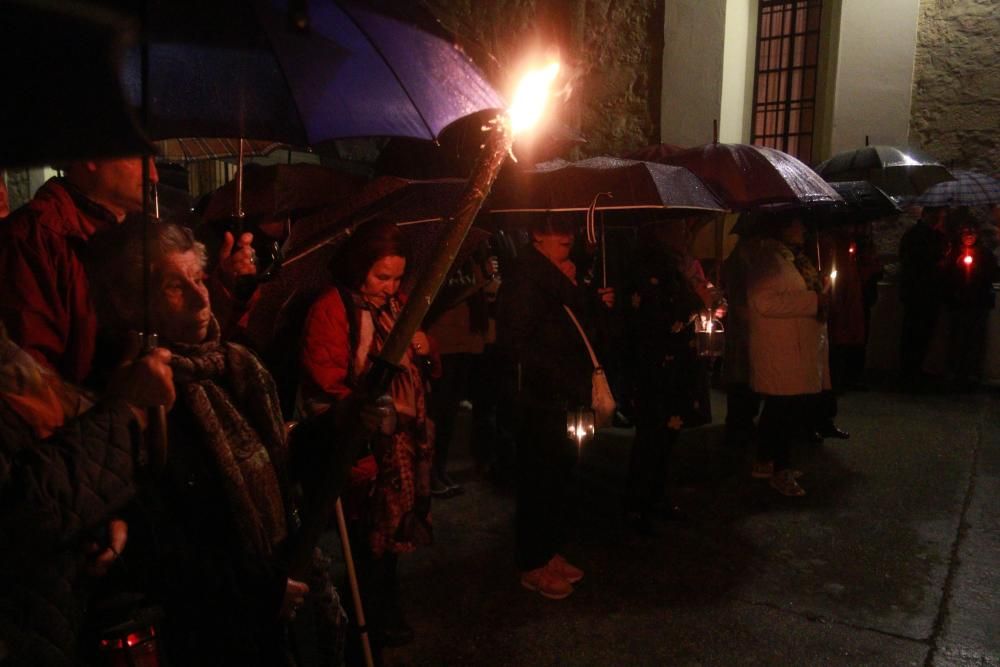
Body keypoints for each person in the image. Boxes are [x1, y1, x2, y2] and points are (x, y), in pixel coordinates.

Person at [85, 221, 347, 666]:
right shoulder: (133, 394)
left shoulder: (234, 365)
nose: (199, 296)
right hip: (212, 631)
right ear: (132, 304)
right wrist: (256, 590)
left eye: (199, 279)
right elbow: (159, 543)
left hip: (274, 597)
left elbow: (277, 467)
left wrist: (347, 420)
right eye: (173, 285)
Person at [0, 324, 175, 666]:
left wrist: (95, 513)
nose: (200, 297)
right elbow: (16, 508)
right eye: (175, 285)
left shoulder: (11, 363)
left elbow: (38, 454)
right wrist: (126, 411)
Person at [300, 220, 435, 649]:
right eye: (382, 277)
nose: (391, 287)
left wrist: (425, 348)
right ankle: (367, 619)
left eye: (398, 277)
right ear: (360, 268)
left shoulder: (394, 307)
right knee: (367, 535)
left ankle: (384, 606)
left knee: (392, 532)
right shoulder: (332, 307)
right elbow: (324, 380)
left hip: (400, 442)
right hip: (360, 441)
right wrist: (373, 410)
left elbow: (418, 374)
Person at [0, 157, 254, 385]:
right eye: (138, 158)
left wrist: (225, 285)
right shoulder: (31, 241)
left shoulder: (145, 232)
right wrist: (118, 408)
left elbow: (186, 332)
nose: (153, 175)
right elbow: (32, 383)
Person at [496, 215, 614, 600]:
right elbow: (519, 343)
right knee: (539, 481)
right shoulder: (527, 276)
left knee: (560, 476)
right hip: (541, 399)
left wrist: (590, 297)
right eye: (554, 227)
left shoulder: (562, 273)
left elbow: (584, 329)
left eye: (569, 228)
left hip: (568, 395)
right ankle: (532, 562)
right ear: (534, 232)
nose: (566, 235)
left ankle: (548, 551)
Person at [623, 222, 707, 535]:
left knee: (665, 436)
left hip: (673, 366)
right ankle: (637, 505)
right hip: (655, 368)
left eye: (688, 227)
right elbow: (658, 320)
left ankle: (654, 496)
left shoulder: (674, 265)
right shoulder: (648, 267)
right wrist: (698, 302)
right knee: (651, 437)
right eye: (679, 227)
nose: (685, 232)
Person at [747, 214, 831, 497]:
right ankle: (778, 469)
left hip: (794, 347)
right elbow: (763, 301)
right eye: (797, 224)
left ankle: (766, 463)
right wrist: (812, 301)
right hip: (780, 349)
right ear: (782, 227)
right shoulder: (768, 259)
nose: (803, 229)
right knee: (781, 410)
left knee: (782, 408)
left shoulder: (792, 259)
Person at [942, 210, 997, 389]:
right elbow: (946, 277)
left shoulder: (985, 254)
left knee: (975, 340)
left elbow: (992, 275)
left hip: (978, 303)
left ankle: (972, 373)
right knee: (957, 337)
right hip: (959, 303)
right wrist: (957, 267)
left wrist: (977, 270)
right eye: (965, 232)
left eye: (972, 232)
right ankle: (955, 372)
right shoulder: (952, 253)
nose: (969, 236)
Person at [898, 206, 948, 388]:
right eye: (936, 215)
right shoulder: (921, 236)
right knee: (916, 335)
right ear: (927, 215)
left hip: (919, 293)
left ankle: (911, 373)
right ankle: (911, 374)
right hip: (921, 293)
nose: (938, 218)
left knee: (916, 335)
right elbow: (918, 262)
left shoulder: (915, 235)